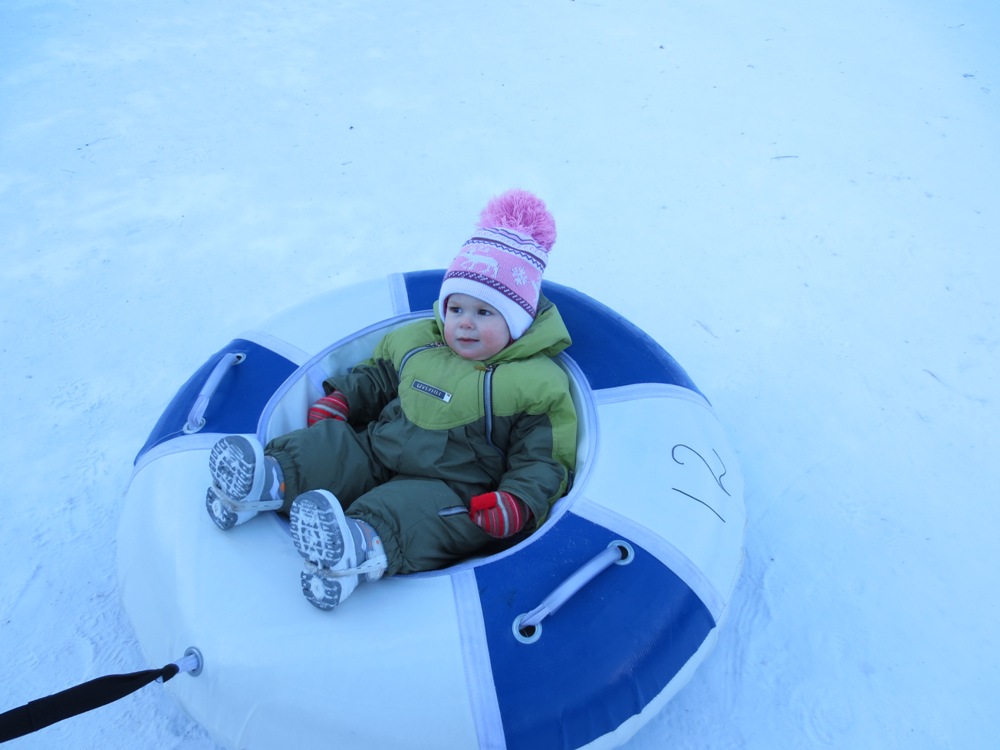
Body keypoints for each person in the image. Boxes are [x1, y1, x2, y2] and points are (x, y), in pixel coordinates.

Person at [204, 189, 578, 611]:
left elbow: (543, 458)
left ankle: (357, 547)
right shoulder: (419, 342)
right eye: (456, 308)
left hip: (455, 486)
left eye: (484, 312)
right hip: (379, 448)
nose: (465, 324)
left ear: (517, 321)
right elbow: (380, 376)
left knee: (410, 513)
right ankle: (266, 480)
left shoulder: (535, 383)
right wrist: (344, 397)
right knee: (332, 447)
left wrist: (518, 502)